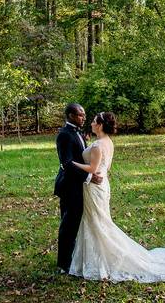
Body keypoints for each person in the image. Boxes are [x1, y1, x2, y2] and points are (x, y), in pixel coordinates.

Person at [66, 112, 165, 282]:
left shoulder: (98, 145)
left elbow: (93, 169)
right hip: (102, 184)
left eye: (94, 121)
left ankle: (108, 258)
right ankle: (96, 258)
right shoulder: (108, 142)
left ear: (100, 125)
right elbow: (104, 167)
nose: (91, 123)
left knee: (98, 222)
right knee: (98, 221)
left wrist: (71, 164)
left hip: (94, 187)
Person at [54, 103, 103, 274]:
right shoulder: (64, 135)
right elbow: (66, 164)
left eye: (84, 114)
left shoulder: (78, 132)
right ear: (70, 115)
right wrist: (89, 176)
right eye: (80, 115)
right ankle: (63, 264)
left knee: (74, 223)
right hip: (69, 186)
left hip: (79, 185)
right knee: (68, 225)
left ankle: (72, 257)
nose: (83, 117)